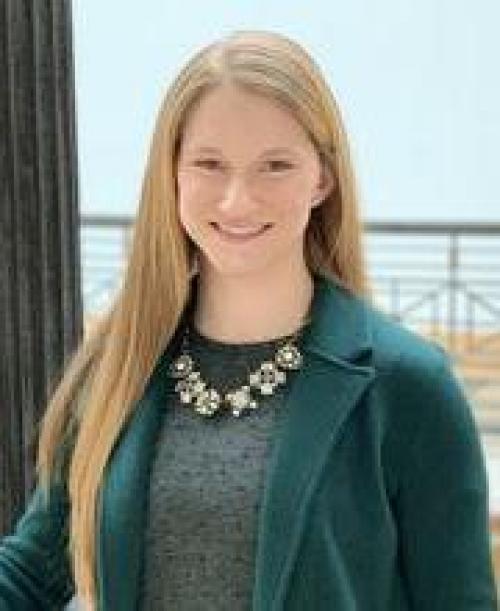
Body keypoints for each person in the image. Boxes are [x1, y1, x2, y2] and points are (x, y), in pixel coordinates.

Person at [0, 28, 497, 611]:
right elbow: (32, 576)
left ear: (323, 178)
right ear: (173, 174)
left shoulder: (409, 387)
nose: (237, 199)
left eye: (275, 165)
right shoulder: (119, 367)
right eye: (210, 163)